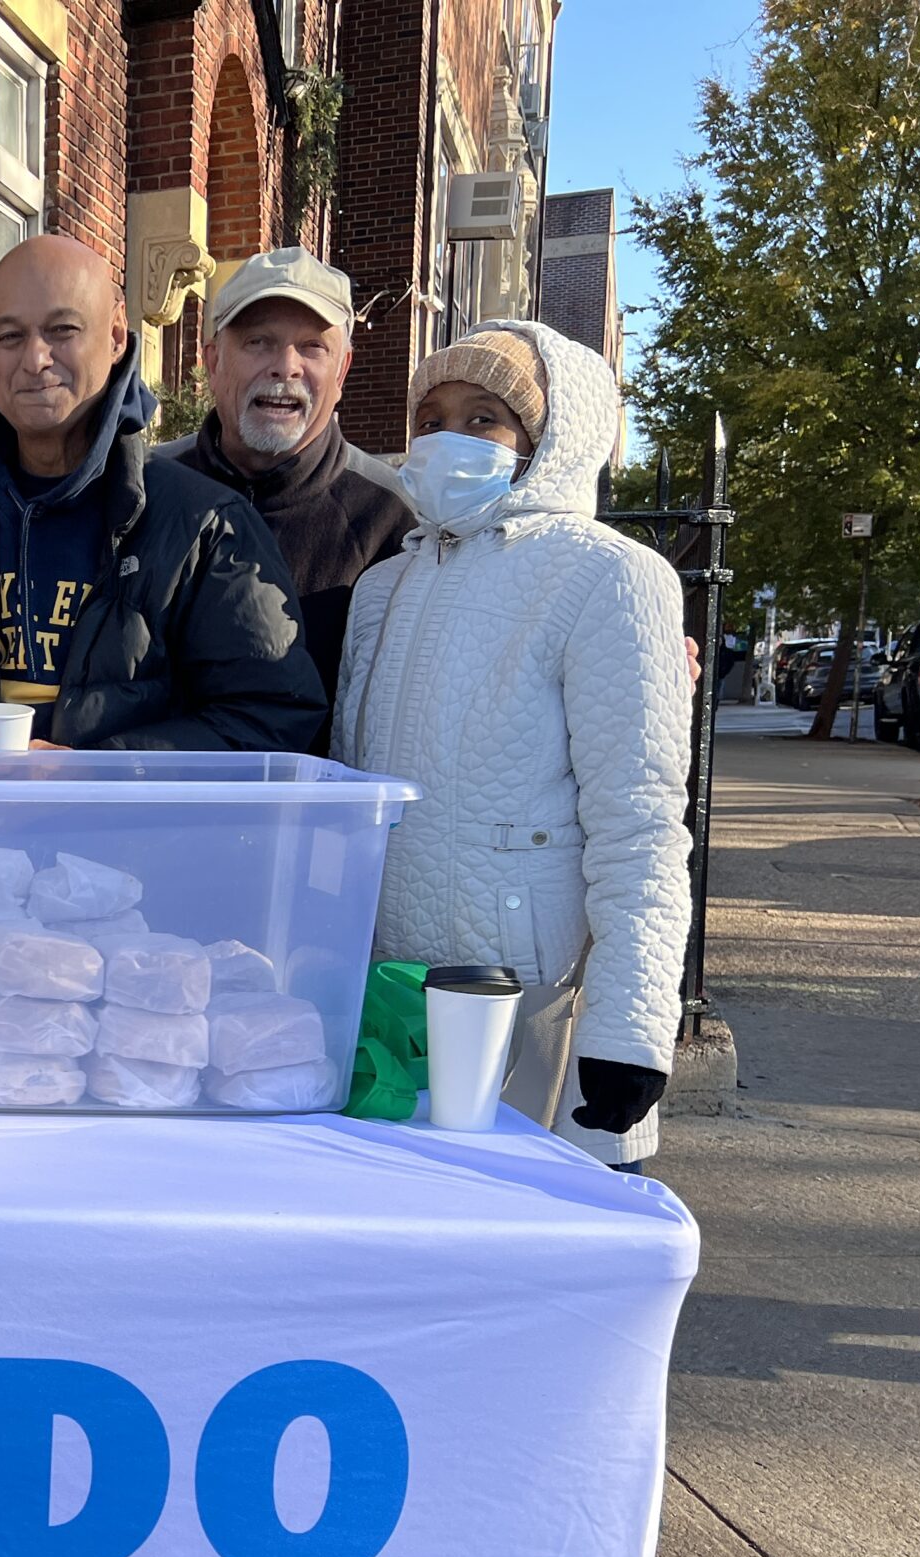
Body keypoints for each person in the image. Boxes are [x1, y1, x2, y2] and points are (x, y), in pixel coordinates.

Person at [336, 320, 690, 1166]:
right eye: (432, 415)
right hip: (393, 995)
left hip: (530, 998)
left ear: (547, 437)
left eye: (485, 417)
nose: (448, 438)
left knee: (525, 1227)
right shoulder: (387, 585)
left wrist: (630, 1028)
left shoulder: (609, 575)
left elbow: (638, 822)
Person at [0, 234, 325, 752]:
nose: (35, 358)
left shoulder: (203, 526)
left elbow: (275, 718)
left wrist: (98, 773)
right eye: (9, 337)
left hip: (129, 835)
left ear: (117, 333)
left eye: (62, 330)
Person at [155, 247, 413, 738]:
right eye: (259, 341)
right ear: (213, 360)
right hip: (149, 801)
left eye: (312, 346)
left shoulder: (392, 519)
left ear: (342, 370)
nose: (285, 366)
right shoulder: (143, 488)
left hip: (313, 813)